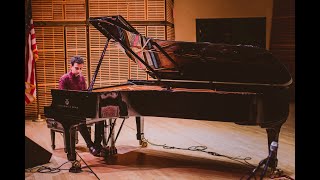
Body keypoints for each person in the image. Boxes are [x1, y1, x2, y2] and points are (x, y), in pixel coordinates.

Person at [59, 55, 105, 157]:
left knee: (100, 117)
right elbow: (63, 98)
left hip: (81, 106)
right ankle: (90, 145)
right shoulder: (64, 79)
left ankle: (97, 144)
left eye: (81, 68)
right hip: (69, 108)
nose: (79, 71)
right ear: (70, 66)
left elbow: (85, 94)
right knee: (79, 119)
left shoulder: (82, 78)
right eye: (76, 68)